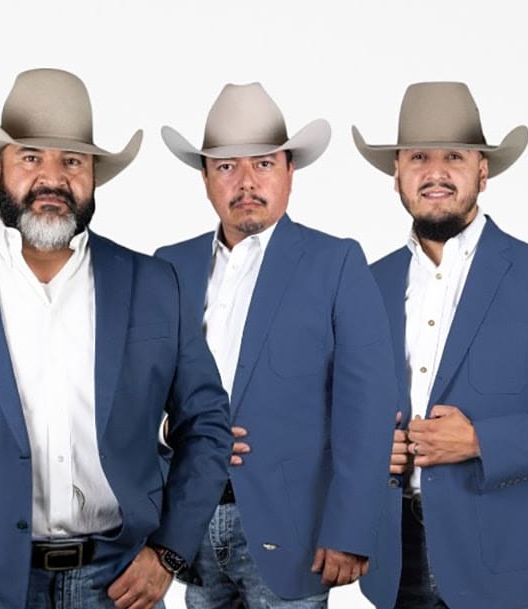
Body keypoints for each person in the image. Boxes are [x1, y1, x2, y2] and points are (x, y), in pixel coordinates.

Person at [0, 68, 233, 609]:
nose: (51, 178)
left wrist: (170, 550)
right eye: (31, 157)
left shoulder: (154, 286)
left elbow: (208, 425)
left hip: (119, 583)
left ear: (93, 176)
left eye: (72, 161)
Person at [353, 81, 528, 609]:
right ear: (396, 174)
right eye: (419, 157)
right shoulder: (367, 283)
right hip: (392, 559)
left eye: (454, 156)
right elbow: (341, 410)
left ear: (482, 171)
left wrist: (479, 441)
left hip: (502, 560)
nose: (436, 172)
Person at [155, 82, 397, 609]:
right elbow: (137, 387)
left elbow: (370, 405)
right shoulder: (169, 265)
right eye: (226, 167)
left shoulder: (336, 263)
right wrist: (168, 429)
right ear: (205, 178)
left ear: (290, 171)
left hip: (294, 530)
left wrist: (352, 528)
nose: (245, 182)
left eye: (263, 164)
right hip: (188, 527)